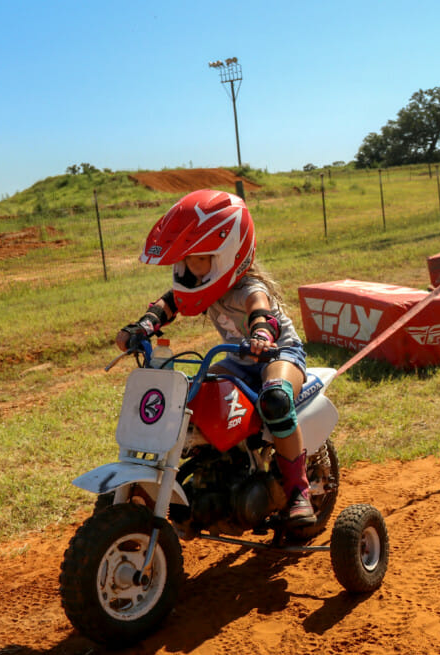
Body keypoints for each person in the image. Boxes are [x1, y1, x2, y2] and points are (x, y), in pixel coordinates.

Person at [115, 189, 315, 526]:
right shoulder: (201, 283)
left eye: (196, 258)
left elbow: (261, 313)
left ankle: (298, 492)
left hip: (278, 353)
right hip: (238, 359)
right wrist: (142, 327)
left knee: (276, 400)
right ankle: (212, 474)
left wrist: (261, 335)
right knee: (193, 398)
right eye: (183, 260)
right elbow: (168, 304)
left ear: (226, 255)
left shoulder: (249, 288)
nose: (187, 268)